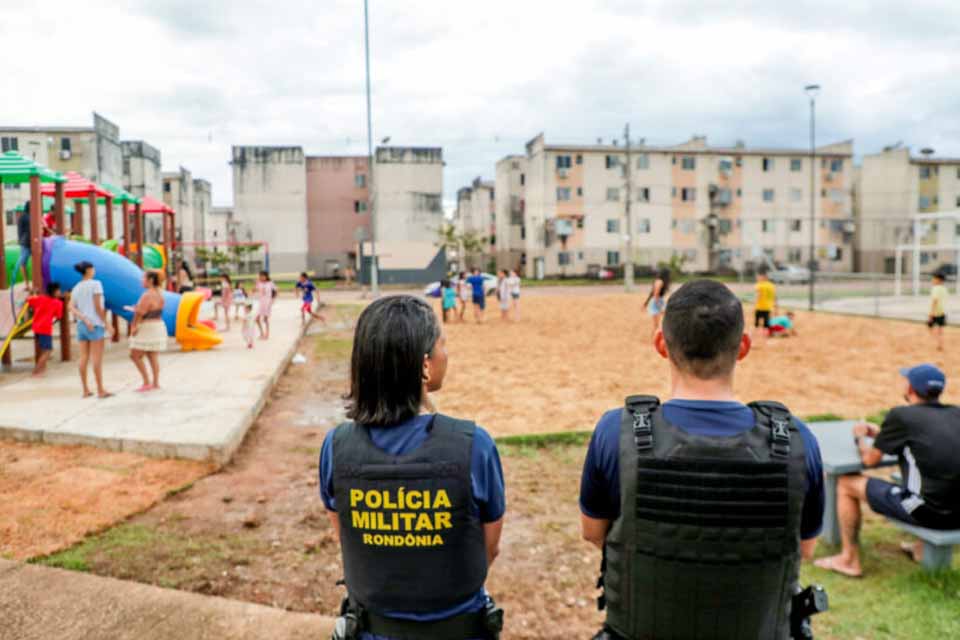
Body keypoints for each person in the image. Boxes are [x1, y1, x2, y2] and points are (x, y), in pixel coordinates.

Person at [579, 280, 824, 640]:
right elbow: (803, 547)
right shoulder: (797, 441)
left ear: (661, 345)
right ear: (743, 347)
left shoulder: (614, 432)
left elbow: (594, 533)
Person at [320, 295, 505, 640]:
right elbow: (488, 548)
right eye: (442, 344)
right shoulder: (474, 446)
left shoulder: (337, 447)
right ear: (424, 365)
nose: (445, 354)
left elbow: (347, 538)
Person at [815, 364, 960, 578]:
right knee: (930, 479)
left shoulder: (902, 415)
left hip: (929, 513)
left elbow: (870, 460)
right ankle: (919, 549)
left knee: (846, 482)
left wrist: (859, 438)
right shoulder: (955, 414)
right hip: (958, 512)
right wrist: (883, 435)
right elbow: (928, 443)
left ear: (910, 389)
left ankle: (848, 559)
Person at [69, 261, 113, 398]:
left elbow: (71, 307)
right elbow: (98, 307)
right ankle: (100, 390)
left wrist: (84, 318)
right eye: (93, 268)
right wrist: (107, 324)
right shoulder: (96, 284)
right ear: (88, 270)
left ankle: (85, 390)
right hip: (95, 325)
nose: (94, 270)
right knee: (97, 359)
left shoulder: (76, 287)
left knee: (83, 357)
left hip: (82, 325)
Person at [128, 271, 166, 392]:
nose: (141, 281)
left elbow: (141, 312)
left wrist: (134, 326)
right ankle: (155, 382)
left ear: (150, 280)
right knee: (152, 355)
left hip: (147, 326)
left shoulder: (147, 295)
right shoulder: (160, 293)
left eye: (143, 278)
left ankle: (146, 381)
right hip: (158, 325)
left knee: (134, 355)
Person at [26, 282, 63, 376]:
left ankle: (42, 369)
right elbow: (58, 317)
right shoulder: (57, 303)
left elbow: (29, 300)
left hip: (36, 327)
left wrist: (34, 293)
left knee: (43, 349)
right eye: (58, 290)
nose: (60, 292)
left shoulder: (40, 298)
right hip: (45, 328)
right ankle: (36, 371)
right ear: (54, 292)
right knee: (48, 350)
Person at [642, 267, 671, 336]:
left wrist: (646, 303)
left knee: (659, 324)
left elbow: (652, 293)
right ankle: (654, 340)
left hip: (658, 302)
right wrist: (660, 307)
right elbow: (655, 295)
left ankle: (656, 338)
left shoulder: (660, 281)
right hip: (656, 303)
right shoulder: (660, 282)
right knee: (657, 325)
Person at [13, 203, 33, 292]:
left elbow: (20, 231)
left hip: (24, 243)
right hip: (28, 243)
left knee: (23, 264)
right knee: (22, 263)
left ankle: (27, 284)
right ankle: (28, 284)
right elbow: (29, 231)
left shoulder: (22, 217)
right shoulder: (29, 217)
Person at [754, 267, 776, 340]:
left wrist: (755, 304)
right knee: (766, 322)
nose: (758, 278)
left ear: (763, 277)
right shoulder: (771, 285)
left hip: (760, 306)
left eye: (759, 276)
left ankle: (756, 335)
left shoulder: (760, 285)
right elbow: (774, 296)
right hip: (768, 307)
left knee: (757, 322)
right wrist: (775, 306)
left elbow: (758, 295)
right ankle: (766, 335)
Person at [928, 272, 947, 351]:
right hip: (942, 312)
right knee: (940, 330)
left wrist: (931, 313)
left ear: (938, 280)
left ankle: (937, 342)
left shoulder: (935, 289)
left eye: (934, 279)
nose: (932, 280)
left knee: (930, 327)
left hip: (935, 313)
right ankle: (940, 343)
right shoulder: (944, 289)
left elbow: (934, 301)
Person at [255, 270, 277, 340]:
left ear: (266, 276)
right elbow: (254, 290)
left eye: (262, 276)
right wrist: (257, 282)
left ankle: (267, 334)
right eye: (260, 276)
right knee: (257, 319)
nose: (261, 277)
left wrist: (273, 300)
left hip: (267, 303)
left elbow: (276, 290)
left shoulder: (270, 283)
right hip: (261, 303)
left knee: (265, 319)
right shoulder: (259, 283)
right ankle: (262, 333)